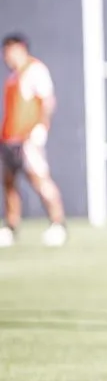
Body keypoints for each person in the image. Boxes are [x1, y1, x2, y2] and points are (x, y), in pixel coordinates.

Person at [0, 34, 66, 248]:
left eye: (10, 51)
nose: (7, 56)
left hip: (28, 139)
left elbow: (48, 101)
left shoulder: (35, 70)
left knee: (40, 180)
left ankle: (58, 224)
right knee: (9, 184)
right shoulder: (13, 76)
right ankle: (11, 227)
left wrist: (41, 128)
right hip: (10, 139)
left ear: (21, 49)